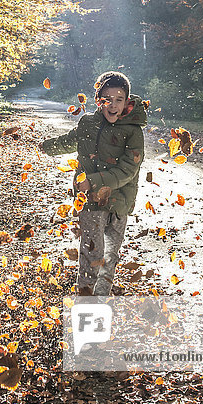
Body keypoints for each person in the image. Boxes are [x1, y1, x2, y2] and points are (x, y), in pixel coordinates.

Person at [41, 71, 147, 296]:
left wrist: (94, 181)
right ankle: (86, 301)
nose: (113, 105)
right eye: (107, 99)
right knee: (91, 255)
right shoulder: (88, 123)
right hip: (90, 203)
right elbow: (69, 141)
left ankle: (102, 298)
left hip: (119, 204)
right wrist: (45, 147)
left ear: (127, 101)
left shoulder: (133, 131)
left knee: (109, 256)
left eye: (119, 99)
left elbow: (128, 169)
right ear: (99, 100)